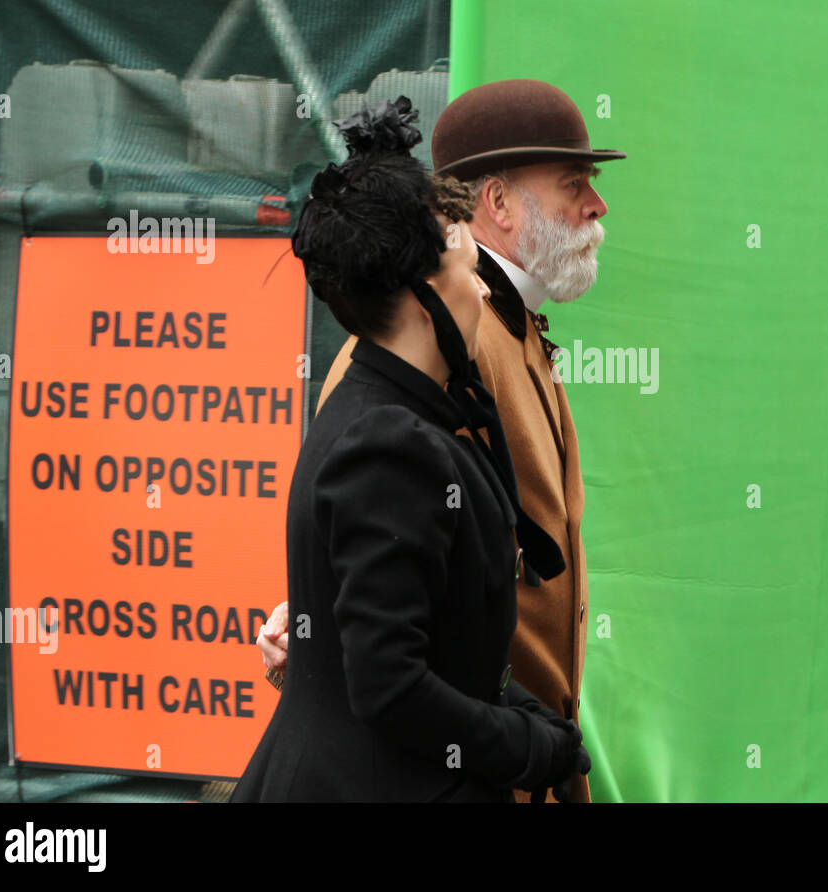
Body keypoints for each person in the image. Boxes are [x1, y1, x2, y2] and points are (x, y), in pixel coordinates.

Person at [256, 79, 625, 803]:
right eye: (574, 183)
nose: (597, 205)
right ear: (497, 203)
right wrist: (308, 620)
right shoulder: (437, 333)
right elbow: (359, 488)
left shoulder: (503, 322)